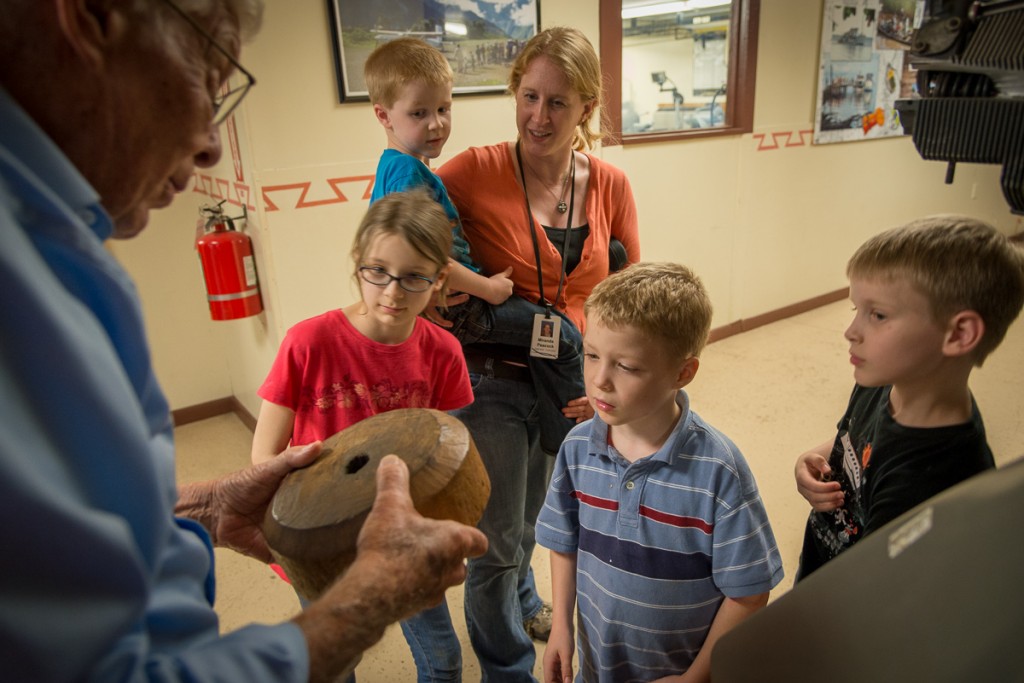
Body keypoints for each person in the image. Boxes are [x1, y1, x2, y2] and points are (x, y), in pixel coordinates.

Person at [0, 2, 486, 681]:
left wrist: (199, 503)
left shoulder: (53, 238)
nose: (211, 144)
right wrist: (367, 600)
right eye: (206, 72)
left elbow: (63, 529)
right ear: (90, 18)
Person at [436, 26, 641, 680]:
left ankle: (527, 597)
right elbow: (399, 230)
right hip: (490, 380)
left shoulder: (609, 183)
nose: (538, 116)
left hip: (569, 384)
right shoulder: (473, 171)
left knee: (533, 525)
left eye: (558, 101)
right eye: (528, 96)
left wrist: (611, 380)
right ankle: (506, 668)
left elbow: (626, 292)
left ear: (587, 106)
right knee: (493, 545)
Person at [251, 189, 473, 682]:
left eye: (414, 276)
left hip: (400, 530)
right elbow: (264, 454)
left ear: (438, 280)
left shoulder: (444, 351)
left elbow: (448, 453)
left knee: (443, 661)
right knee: (335, 665)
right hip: (319, 536)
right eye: (378, 272)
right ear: (358, 264)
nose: (392, 292)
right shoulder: (308, 342)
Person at [537, 262, 784, 683]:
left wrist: (695, 678)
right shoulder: (578, 447)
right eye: (592, 355)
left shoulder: (719, 471)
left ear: (682, 372)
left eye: (626, 366)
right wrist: (562, 625)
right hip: (597, 666)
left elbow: (749, 589)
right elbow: (563, 540)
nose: (599, 381)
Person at [365, 36, 589, 460]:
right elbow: (423, 257)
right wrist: (489, 289)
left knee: (546, 340)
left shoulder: (403, 169)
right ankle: (575, 447)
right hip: (467, 307)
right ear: (384, 115)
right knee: (563, 337)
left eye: (443, 109)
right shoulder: (408, 174)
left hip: (462, 304)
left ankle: (557, 436)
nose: (436, 125)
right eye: (419, 113)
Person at [794, 215, 1024, 580]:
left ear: (959, 333)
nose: (850, 332)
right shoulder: (883, 382)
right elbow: (860, 436)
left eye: (878, 314)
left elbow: (879, 602)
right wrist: (816, 459)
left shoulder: (930, 487)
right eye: (857, 310)